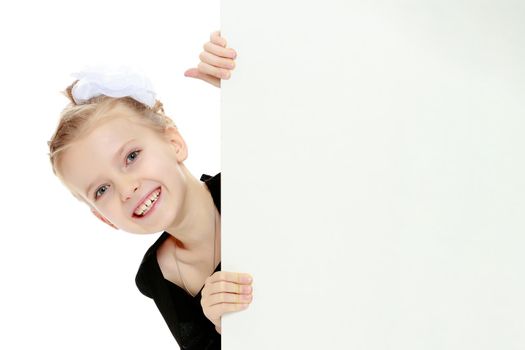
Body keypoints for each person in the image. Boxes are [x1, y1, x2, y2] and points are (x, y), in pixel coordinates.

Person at [47, 30, 252, 349]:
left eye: (131, 156)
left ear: (174, 143)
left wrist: (248, 87)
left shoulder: (248, 184)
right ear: (105, 219)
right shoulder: (155, 276)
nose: (127, 189)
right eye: (102, 190)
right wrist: (223, 330)